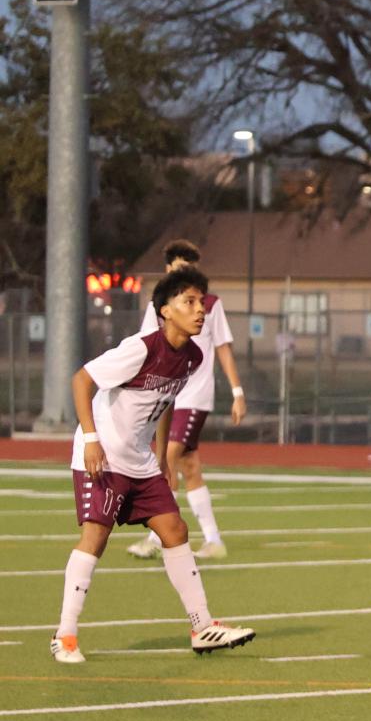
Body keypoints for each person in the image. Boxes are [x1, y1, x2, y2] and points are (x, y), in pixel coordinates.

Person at [49, 266, 257, 666]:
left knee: (175, 530)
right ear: (164, 310)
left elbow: (167, 402)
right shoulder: (140, 348)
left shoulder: (193, 355)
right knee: (96, 537)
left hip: (141, 460)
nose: (200, 311)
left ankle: (201, 627)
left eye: (201, 302)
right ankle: (65, 636)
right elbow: (81, 381)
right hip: (105, 453)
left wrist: (162, 458)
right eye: (189, 302)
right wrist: (91, 440)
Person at [127, 240, 245, 562]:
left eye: (189, 269)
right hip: (169, 396)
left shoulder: (209, 303)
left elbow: (223, 347)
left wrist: (237, 392)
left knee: (165, 459)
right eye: (178, 268)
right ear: (168, 269)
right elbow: (144, 347)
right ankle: (213, 540)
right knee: (189, 468)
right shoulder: (161, 306)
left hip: (195, 396)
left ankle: (157, 536)